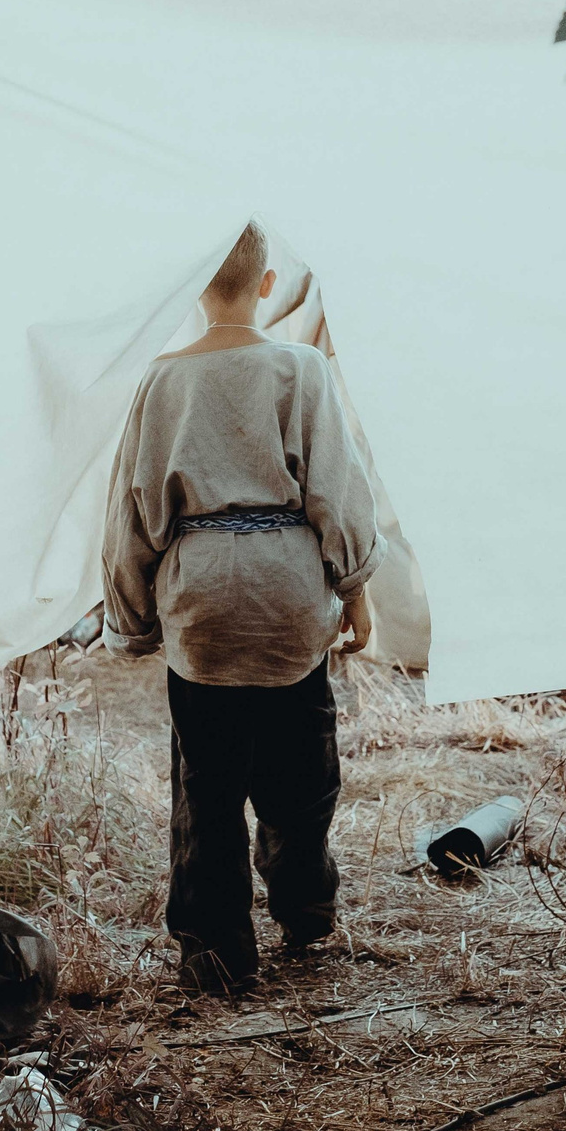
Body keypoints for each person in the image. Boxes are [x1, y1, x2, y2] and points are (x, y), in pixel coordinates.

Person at [101, 223, 384, 993]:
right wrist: (355, 591)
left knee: (207, 779)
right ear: (267, 286)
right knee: (302, 763)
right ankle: (304, 903)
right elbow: (339, 491)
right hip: (289, 594)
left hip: (202, 607)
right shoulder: (302, 368)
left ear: (193, 285)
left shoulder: (161, 382)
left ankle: (215, 948)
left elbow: (131, 508)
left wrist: (130, 620)